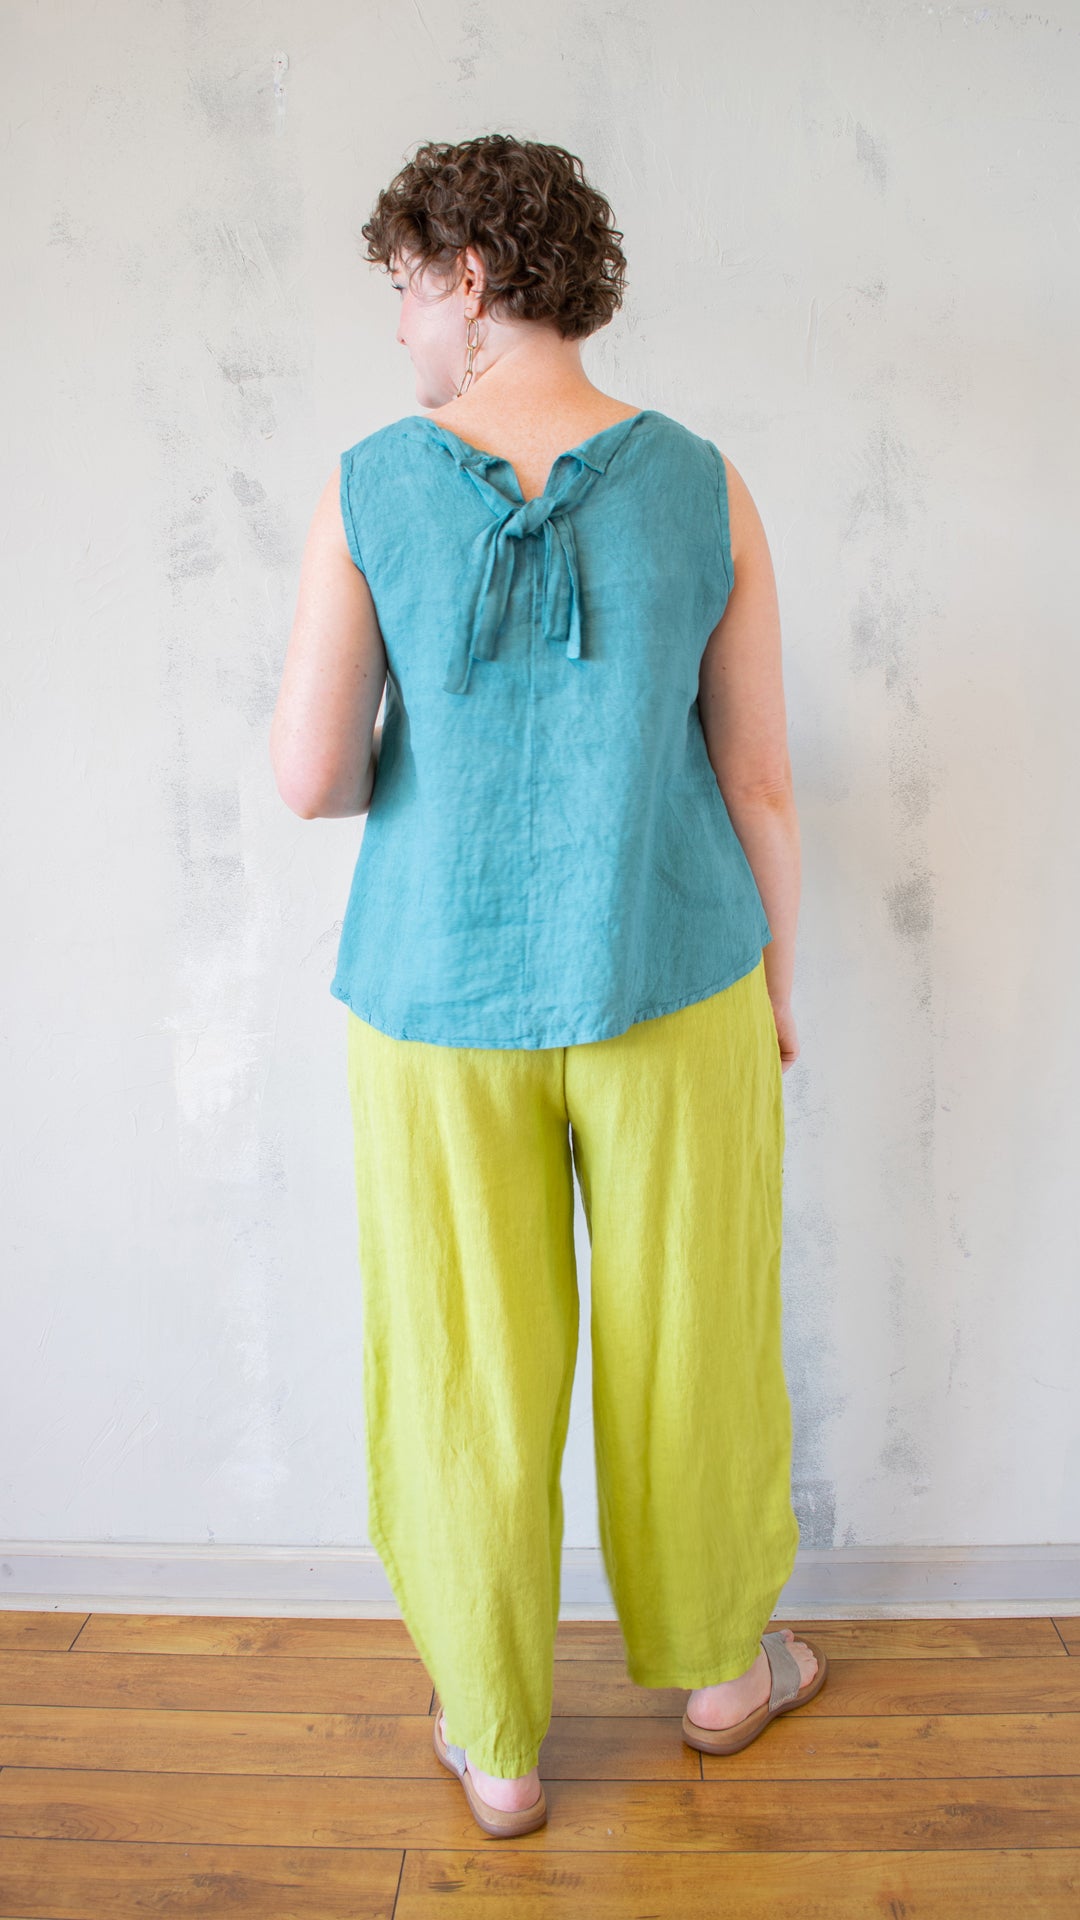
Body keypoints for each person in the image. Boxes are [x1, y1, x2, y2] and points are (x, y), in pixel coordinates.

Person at [271, 133, 826, 1838]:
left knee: (462, 1362)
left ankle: (499, 1742)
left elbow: (310, 779)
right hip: (673, 974)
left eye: (403, 290)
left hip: (436, 1002)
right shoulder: (705, 482)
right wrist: (778, 988)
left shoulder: (369, 486)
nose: (398, 329)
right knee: (696, 1336)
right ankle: (722, 1676)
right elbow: (759, 782)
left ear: (471, 277)